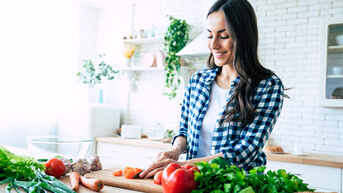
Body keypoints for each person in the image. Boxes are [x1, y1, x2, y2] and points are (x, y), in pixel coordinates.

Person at [139, 0, 285, 179]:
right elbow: (184, 129)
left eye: (223, 36)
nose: (213, 45)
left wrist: (182, 165)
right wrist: (175, 150)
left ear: (244, 37)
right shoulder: (198, 81)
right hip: (192, 181)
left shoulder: (267, 86)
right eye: (210, 35)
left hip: (238, 186)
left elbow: (245, 151)